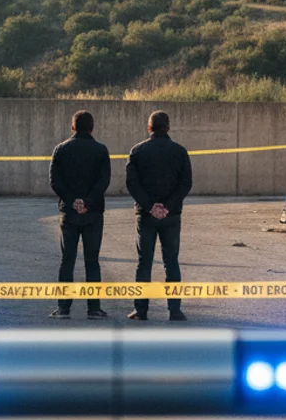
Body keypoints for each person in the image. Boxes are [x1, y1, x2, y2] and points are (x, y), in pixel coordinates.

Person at [125, 110, 192, 322]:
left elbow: (131, 183)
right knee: (171, 261)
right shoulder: (180, 151)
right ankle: (175, 310)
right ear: (168, 127)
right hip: (171, 217)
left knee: (144, 262)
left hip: (145, 216)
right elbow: (185, 183)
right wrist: (168, 207)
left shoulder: (137, 151)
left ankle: (141, 310)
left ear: (149, 128)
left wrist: (150, 206)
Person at [48, 110, 111, 320]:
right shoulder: (101, 150)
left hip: (69, 213)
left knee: (67, 260)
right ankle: (94, 308)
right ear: (92, 127)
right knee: (92, 261)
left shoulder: (60, 150)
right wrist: (87, 202)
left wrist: (72, 201)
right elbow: (103, 182)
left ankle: (63, 308)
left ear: (72, 127)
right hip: (93, 214)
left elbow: (55, 181)